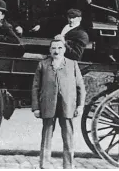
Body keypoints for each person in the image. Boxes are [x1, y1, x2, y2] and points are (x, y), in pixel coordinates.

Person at [31, 38, 86, 169]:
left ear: (65, 50)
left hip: (67, 106)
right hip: (48, 105)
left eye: (60, 48)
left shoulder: (72, 64)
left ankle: (68, 165)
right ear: (50, 50)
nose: (57, 51)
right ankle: (44, 164)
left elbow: (81, 87)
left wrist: (80, 105)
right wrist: (36, 108)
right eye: (54, 48)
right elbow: (35, 87)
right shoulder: (43, 65)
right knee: (46, 136)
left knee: (68, 136)